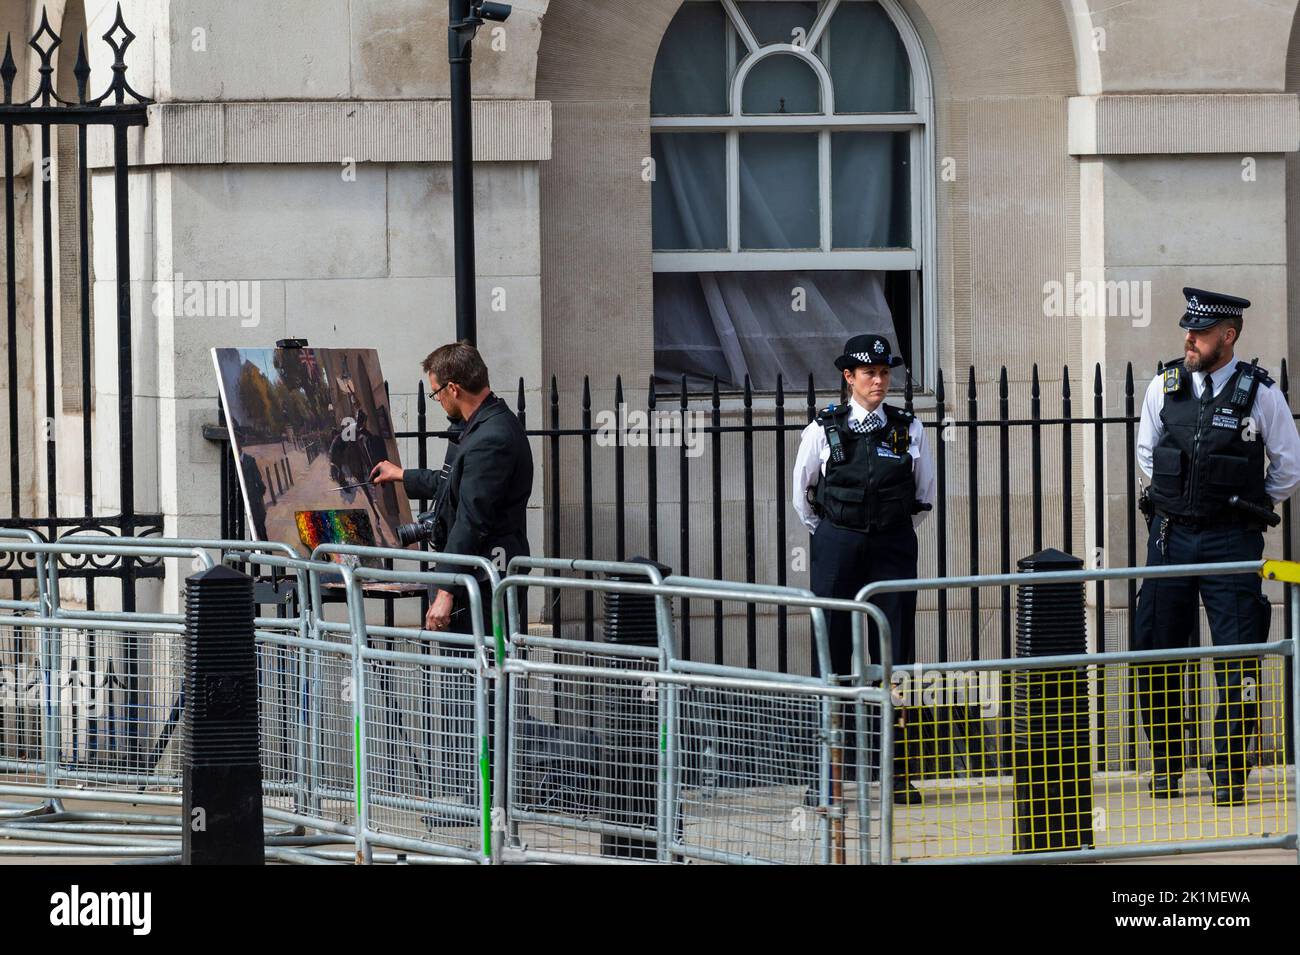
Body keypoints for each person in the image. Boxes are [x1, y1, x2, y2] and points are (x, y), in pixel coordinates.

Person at [1135, 287, 1300, 806]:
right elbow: (1147, 452)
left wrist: (1243, 508)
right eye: (1188, 328)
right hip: (1171, 535)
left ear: (1227, 336)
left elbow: (1288, 466)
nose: (1189, 337)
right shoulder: (1164, 386)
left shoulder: (1261, 393)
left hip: (1232, 539)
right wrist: (1180, 502)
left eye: (1200, 332)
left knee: (1237, 656)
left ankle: (1228, 775)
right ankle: (1166, 767)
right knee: (1156, 649)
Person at [792, 333, 936, 804]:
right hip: (838, 545)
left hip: (892, 546)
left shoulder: (908, 429)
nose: (878, 380)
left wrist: (885, 531)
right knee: (830, 656)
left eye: (885, 373)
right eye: (869, 373)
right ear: (848, 377)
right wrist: (836, 534)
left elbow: (923, 495)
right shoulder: (823, 429)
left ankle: (895, 772)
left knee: (894, 658)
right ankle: (826, 775)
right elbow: (803, 497)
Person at [370, 340, 533, 636]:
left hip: (481, 583)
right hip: (478, 578)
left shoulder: (490, 439)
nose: (439, 400)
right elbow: (453, 485)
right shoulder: (486, 426)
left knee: (471, 677)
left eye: (436, 393)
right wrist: (401, 475)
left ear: (453, 389)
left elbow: (472, 519)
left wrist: (446, 591)